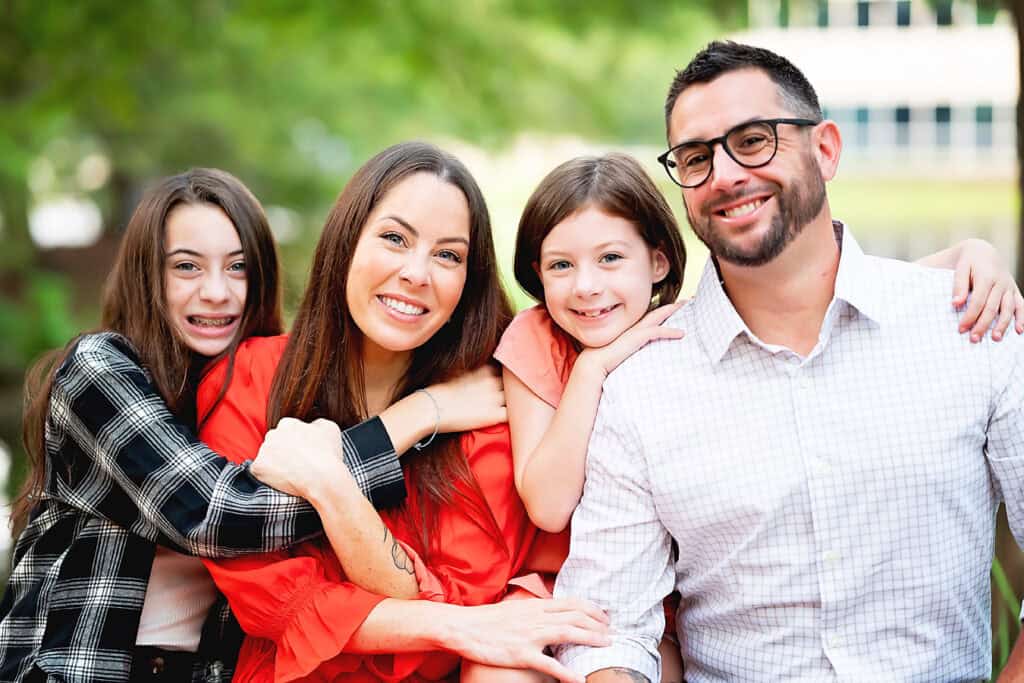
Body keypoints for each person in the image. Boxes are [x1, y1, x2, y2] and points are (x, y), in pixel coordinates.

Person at [553, 41, 1024, 682]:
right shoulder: (642, 386)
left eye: (753, 141)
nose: (724, 175)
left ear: (825, 149)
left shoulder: (970, 324)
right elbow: (607, 630)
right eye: (696, 157)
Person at [0, 168, 497, 683]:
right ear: (147, 277)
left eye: (238, 268)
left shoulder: (261, 390)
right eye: (187, 267)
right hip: (80, 667)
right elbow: (219, 514)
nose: (217, 292)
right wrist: (411, 419)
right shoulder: (99, 371)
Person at [197, 141, 610, 683]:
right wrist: (417, 416)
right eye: (394, 238)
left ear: (468, 280)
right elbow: (275, 599)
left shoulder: (487, 401)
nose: (417, 273)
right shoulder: (248, 378)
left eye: (448, 255)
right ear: (347, 241)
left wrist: (330, 483)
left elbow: (462, 605)